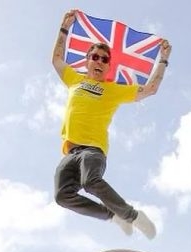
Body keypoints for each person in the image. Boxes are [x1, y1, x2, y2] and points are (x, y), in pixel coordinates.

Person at [51, 11, 171, 238]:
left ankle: (133, 216)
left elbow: (151, 89)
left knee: (90, 181)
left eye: (104, 59)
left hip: (93, 150)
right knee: (61, 196)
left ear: (108, 66)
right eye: (94, 57)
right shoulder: (75, 80)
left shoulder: (114, 90)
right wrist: (64, 29)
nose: (99, 61)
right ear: (87, 61)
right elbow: (57, 59)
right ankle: (112, 215)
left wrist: (163, 60)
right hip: (70, 151)